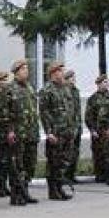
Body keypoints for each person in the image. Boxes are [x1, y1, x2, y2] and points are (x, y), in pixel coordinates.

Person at [0, 59, 40, 205]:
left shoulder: (30, 88)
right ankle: (16, 195)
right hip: (17, 134)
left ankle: (25, 191)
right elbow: (3, 113)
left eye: (27, 69)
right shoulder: (9, 89)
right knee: (16, 165)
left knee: (29, 164)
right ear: (16, 72)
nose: (26, 71)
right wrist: (9, 130)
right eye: (23, 69)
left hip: (31, 132)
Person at [38, 61, 75, 201]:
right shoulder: (47, 90)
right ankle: (53, 190)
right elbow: (44, 113)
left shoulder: (65, 88)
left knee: (64, 161)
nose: (62, 73)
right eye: (60, 71)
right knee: (54, 162)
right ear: (53, 73)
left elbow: (70, 109)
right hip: (56, 132)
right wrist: (49, 132)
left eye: (62, 71)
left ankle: (59, 187)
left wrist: (72, 127)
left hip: (67, 131)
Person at [85, 74, 109, 185]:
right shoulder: (93, 98)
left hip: (108, 130)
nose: (106, 84)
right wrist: (92, 129)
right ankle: (99, 174)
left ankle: (108, 175)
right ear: (98, 84)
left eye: (107, 82)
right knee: (98, 153)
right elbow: (89, 116)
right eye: (104, 82)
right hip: (98, 130)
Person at [64, 69, 82, 184]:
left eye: (74, 77)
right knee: (68, 153)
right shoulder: (65, 91)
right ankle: (65, 175)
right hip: (69, 126)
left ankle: (71, 174)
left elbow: (77, 109)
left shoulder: (76, 91)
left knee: (75, 152)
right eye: (71, 78)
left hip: (77, 125)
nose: (73, 79)